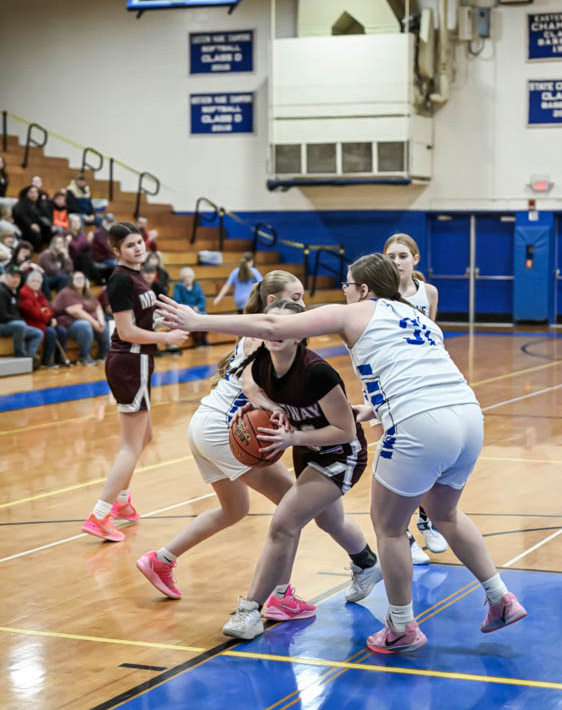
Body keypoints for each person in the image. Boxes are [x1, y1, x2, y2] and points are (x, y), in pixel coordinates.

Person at [157, 252, 526, 654]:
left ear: (363, 289)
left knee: (389, 528)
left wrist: (198, 321)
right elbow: (421, 374)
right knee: (446, 514)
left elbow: (273, 324)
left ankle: (401, 626)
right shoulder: (418, 318)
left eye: (347, 284)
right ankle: (500, 596)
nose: (344, 291)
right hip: (468, 416)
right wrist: (376, 409)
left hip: (416, 426)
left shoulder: (354, 315)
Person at [138, 276, 381, 637]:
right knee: (301, 514)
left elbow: (344, 430)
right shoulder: (263, 350)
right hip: (234, 429)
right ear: (269, 309)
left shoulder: (314, 370)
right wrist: (264, 410)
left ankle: (265, 595)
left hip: (327, 448)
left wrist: (284, 427)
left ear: (300, 333)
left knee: (279, 515)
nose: (301, 307)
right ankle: (336, 574)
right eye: (294, 298)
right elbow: (250, 386)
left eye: (302, 302)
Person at [82, 222, 187, 541]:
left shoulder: (137, 277)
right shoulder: (120, 280)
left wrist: (165, 319)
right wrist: (166, 338)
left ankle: (123, 504)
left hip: (135, 361)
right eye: (129, 245)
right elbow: (126, 331)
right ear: (116, 251)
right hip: (130, 361)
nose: (138, 248)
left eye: (139, 242)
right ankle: (100, 514)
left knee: (145, 436)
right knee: (131, 445)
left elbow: (141, 318)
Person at [384, 233, 447, 564]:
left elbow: (431, 336)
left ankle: (427, 519)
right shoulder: (380, 295)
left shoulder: (429, 292)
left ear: (415, 259)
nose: (397, 262)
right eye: (391, 256)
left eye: (403, 256)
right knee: (399, 462)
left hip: (424, 384)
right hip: (391, 385)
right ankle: (403, 531)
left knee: (431, 455)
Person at [51, 271, 111, 365]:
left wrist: (100, 321)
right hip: (69, 325)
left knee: (104, 325)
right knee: (85, 325)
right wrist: (94, 322)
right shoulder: (66, 292)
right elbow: (75, 311)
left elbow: (98, 307)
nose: (80, 280)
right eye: (77, 278)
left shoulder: (87, 293)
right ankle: (83, 358)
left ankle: (104, 355)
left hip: (89, 322)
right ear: (71, 281)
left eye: (82, 278)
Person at [18, 269, 70, 368]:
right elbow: (34, 313)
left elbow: (49, 309)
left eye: (38, 281)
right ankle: (46, 361)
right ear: (27, 282)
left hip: (43, 322)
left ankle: (60, 359)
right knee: (51, 332)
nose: (36, 283)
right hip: (32, 323)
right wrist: (47, 317)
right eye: (33, 281)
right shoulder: (24, 293)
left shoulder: (39, 294)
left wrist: (50, 317)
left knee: (62, 331)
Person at [0, 265, 43, 364]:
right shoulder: (1, 291)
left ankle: (30, 359)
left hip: (11, 325)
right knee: (20, 325)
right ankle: (20, 355)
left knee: (38, 333)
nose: (16, 279)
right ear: (6, 276)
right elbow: (2, 316)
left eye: (18, 277)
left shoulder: (15, 291)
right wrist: (19, 320)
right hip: (2, 325)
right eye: (13, 276)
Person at [172, 267, 208, 346]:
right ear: (183, 278)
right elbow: (177, 301)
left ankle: (204, 339)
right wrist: (191, 307)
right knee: (193, 318)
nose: (188, 279)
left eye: (190, 277)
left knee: (205, 317)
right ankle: (197, 340)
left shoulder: (197, 286)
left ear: (193, 277)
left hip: (198, 310)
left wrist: (198, 307)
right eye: (186, 277)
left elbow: (202, 300)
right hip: (185, 312)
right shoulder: (178, 287)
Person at [38, 232, 73, 297]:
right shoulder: (46, 254)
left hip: (57, 278)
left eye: (62, 243)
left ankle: (66, 297)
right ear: (53, 244)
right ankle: (60, 298)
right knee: (64, 277)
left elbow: (70, 269)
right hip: (45, 279)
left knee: (69, 276)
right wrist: (64, 271)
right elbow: (52, 271)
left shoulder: (63, 254)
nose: (61, 245)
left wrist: (66, 257)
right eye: (58, 243)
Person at [12, 185, 43, 251]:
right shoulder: (21, 203)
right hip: (24, 227)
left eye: (36, 192)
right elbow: (20, 215)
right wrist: (30, 224)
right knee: (35, 233)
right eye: (31, 192)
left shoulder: (39, 204)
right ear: (26, 193)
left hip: (36, 226)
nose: (34, 194)